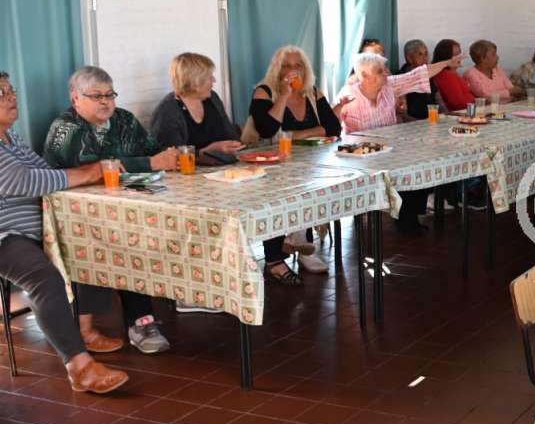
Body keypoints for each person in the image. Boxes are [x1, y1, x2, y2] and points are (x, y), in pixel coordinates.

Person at [0, 72, 129, 393]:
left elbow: (44, 172)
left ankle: (84, 330)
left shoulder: (10, 138)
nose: (12, 97)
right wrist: (88, 172)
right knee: (43, 278)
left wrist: (86, 173)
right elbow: (22, 181)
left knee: (90, 240)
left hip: (38, 227)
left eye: (11, 89)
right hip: (6, 234)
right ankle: (80, 367)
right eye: (2, 93)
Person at [44, 67, 176, 355]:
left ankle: (186, 294)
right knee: (127, 237)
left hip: (127, 202)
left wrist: (167, 157)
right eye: (97, 96)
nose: (106, 102)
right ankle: (141, 321)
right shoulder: (66, 128)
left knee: (169, 227)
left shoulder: (124, 119)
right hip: (78, 215)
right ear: (76, 98)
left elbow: (153, 150)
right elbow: (90, 168)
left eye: (110, 95)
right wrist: (149, 164)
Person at [247, 46, 343, 284]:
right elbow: (267, 130)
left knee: (307, 192)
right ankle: (274, 259)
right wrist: (284, 96)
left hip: (308, 162)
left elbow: (333, 128)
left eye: (297, 65)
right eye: (286, 66)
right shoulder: (264, 92)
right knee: (276, 199)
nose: (292, 70)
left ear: (305, 68)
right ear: (277, 69)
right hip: (272, 162)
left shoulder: (312, 92)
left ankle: (302, 247)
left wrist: (293, 135)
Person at [337, 53, 436, 234]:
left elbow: (416, 76)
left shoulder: (389, 88)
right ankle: (402, 217)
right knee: (398, 167)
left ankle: (409, 216)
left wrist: (446, 63)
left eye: (384, 70)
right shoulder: (348, 94)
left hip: (390, 148)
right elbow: (332, 123)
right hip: (361, 155)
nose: (386, 74)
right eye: (380, 71)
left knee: (418, 162)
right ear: (365, 75)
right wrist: (338, 108)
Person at [150, 53, 243, 165]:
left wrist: (235, 144)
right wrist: (206, 151)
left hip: (224, 167)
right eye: (210, 77)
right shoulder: (167, 111)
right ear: (195, 83)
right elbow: (171, 157)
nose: (214, 81)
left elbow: (231, 135)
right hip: (190, 173)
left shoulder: (212, 98)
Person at [428, 39, 473, 112]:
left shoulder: (446, 73)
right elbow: (459, 103)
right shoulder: (446, 75)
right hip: (460, 114)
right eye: (455, 55)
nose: (460, 57)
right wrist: (477, 103)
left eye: (459, 53)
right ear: (445, 57)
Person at [396, 39, 435, 120]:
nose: (425, 58)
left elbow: (438, 98)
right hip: (412, 122)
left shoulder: (427, 73)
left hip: (431, 119)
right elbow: (402, 113)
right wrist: (420, 123)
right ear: (409, 58)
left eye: (426, 54)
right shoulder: (401, 77)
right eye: (420, 54)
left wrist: (446, 115)